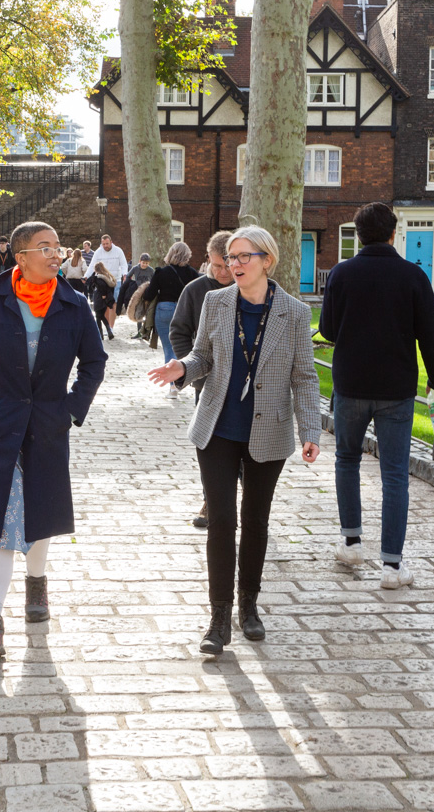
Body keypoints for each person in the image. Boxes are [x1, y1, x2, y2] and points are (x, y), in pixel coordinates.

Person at [149, 226, 323, 656]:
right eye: (230, 256)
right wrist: (183, 369)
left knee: (256, 522)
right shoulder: (215, 301)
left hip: (269, 431)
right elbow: (203, 355)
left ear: (267, 259)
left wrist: (311, 431)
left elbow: (304, 376)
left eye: (245, 256)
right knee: (223, 521)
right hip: (218, 428)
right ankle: (218, 615)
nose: (234, 264)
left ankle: (249, 605)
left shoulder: (295, 313)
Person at [0, 221, 107, 659]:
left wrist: (69, 410)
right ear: (20, 257)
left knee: (39, 509)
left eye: (58, 246)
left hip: (46, 426)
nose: (56, 254)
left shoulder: (73, 303)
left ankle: (36, 582)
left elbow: (94, 363)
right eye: (46, 247)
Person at [319, 202, 434, 591]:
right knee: (395, 475)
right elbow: (432, 333)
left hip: (352, 383)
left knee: (347, 460)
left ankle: (352, 542)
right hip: (396, 387)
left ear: (358, 235)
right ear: (395, 233)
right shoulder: (412, 275)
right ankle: (392, 566)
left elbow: (327, 329)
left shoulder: (342, 273)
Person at [170, 230, 235, 529]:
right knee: (210, 447)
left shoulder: (248, 286)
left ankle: (244, 501)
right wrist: (191, 372)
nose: (222, 273)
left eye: (228, 266)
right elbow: (179, 331)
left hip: (246, 385)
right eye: (216, 266)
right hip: (207, 383)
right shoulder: (195, 290)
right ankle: (211, 499)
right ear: (207, 258)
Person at [143, 242, 199, 376]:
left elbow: (149, 295)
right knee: (184, 347)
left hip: (164, 309)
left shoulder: (161, 272)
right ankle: (182, 378)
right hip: (184, 310)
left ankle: (172, 385)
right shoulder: (192, 273)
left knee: (169, 348)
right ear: (187, 255)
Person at [86, 234, 129, 334]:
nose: (105, 246)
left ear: (111, 242)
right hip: (102, 280)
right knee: (103, 305)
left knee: (112, 303)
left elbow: (123, 264)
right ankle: (107, 327)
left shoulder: (118, 251)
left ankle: (111, 326)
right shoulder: (98, 252)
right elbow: (92, 265)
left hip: (115, 280)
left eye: (107, 244)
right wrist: (86, 276)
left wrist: (125, 274)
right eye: (103, 244)